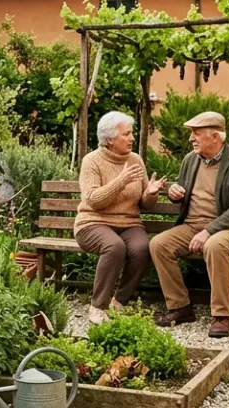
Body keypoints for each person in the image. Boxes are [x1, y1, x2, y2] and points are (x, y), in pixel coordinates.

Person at [150, 111, 229, 338]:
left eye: (196, 133)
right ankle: (180, 307)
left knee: (214, 246)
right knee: (158, 245)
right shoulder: (191, 160)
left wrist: (208, 231)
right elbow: (181, 189)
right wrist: (173, 192)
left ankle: (221, 315)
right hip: (191, 225)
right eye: (192, 133)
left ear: (216, 137)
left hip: (227, 228)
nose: (191, 138)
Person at [74, 111, 164, 325]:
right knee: (114, 247)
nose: (132, 138)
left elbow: (144, 204)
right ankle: (98, 306)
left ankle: (119, 302)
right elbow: (93, 199)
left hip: (129, 222)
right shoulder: (91, 161)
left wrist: (150, 193)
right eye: (127, 134)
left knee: (142, 248)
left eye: (131, 133)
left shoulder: (135, 160)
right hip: (93, 222)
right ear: (109, 139)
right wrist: (120, 181)